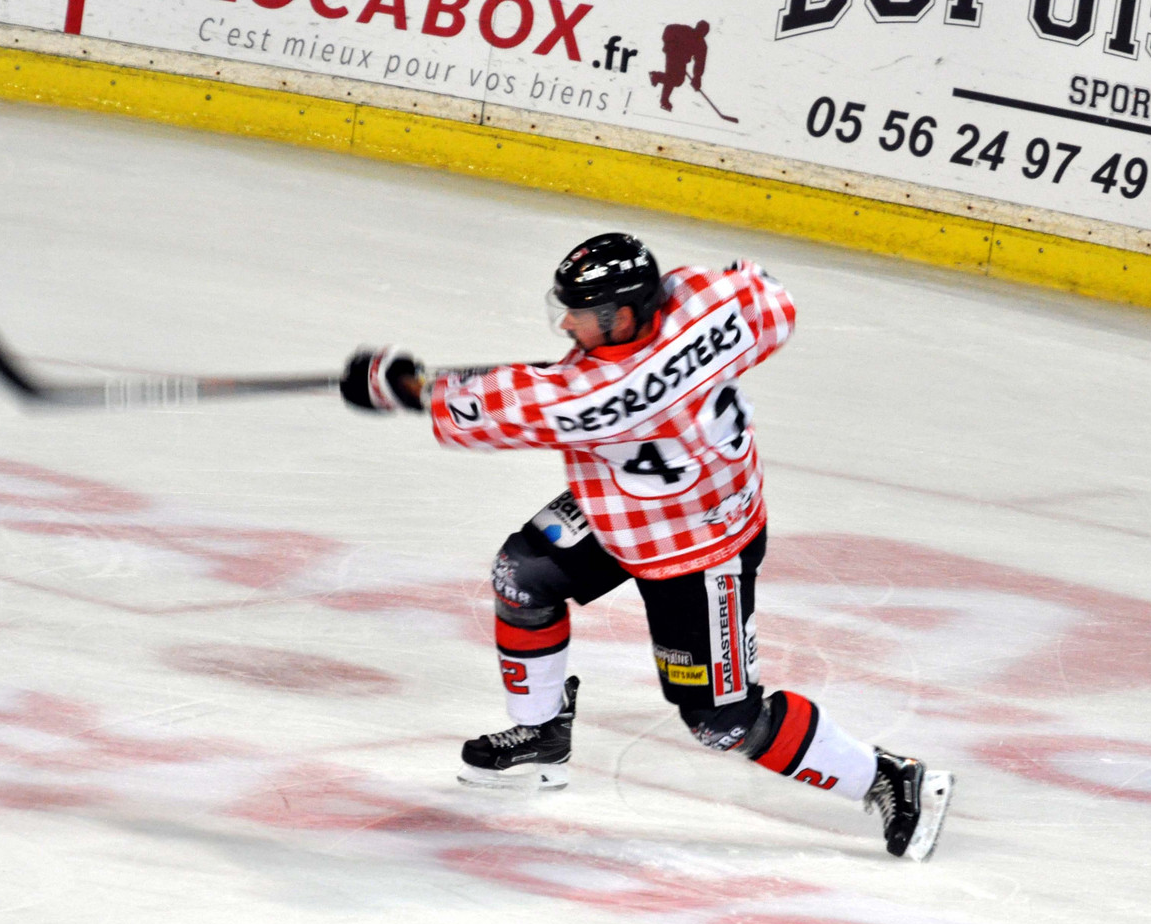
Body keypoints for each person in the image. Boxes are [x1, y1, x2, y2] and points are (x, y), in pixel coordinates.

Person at [339, 233, 952, 860]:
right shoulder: (710, 300)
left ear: (624, 315)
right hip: (633, 510)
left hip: (699, 545)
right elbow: (767, 294)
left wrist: (396, 386)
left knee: (724, 724)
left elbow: (494, 403)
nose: (568, 322)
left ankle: (889, 778)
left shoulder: (587, 395)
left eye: (580, 311)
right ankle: (542, 730)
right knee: (523, 574)